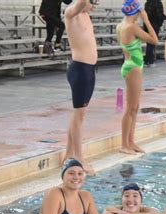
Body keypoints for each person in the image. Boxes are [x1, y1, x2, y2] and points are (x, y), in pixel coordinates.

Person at [40, 158, 126, 214]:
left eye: (80, 174)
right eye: (71, 173)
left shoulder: (86, 196)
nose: (76, 177)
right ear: (63, 176)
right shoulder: (54, 193)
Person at [117, 0, 158, 154]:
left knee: (135, 107)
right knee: (130, 108)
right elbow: (154, 40)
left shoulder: (121, 26)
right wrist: (147, 20)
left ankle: (131, 142)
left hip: (130, 64)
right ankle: (124, 145)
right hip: (133, 67)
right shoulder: (131, 27)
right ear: (135, 12)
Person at [63, 0, 99, 175]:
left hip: (89, 69)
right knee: (79, 116)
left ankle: (69, 153)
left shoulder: (85, 15)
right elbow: (81, 3)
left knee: (78, 114)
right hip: (80, 70)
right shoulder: (72, 12)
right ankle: (79, 159)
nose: (94, 4)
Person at [101, 183, 165, 214]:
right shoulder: (113, 208)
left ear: (141, 200)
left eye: (135, 196)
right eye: (126, 196)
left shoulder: (146, 210)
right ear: (121, 199)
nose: (130, 200)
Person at [143, 0, 166, 67]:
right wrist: (165, 18)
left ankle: (147, 61)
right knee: (152, 43)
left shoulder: (147, 2)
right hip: (154, 25)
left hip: (147, 25)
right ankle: (150, 61)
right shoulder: (158, 2)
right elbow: (159, 15)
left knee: (149, 43)